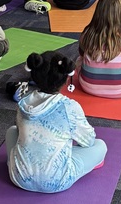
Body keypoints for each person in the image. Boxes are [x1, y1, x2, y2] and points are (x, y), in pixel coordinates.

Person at [6, 50, 107, 193]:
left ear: (34, 75)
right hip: (57, 182)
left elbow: (20, 131)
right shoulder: (69, 107)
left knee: (11, 131)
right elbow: (89, 141)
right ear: (65, 78)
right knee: (100, 145)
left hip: (19, 178)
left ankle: (14, 165)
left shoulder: (23, 103)